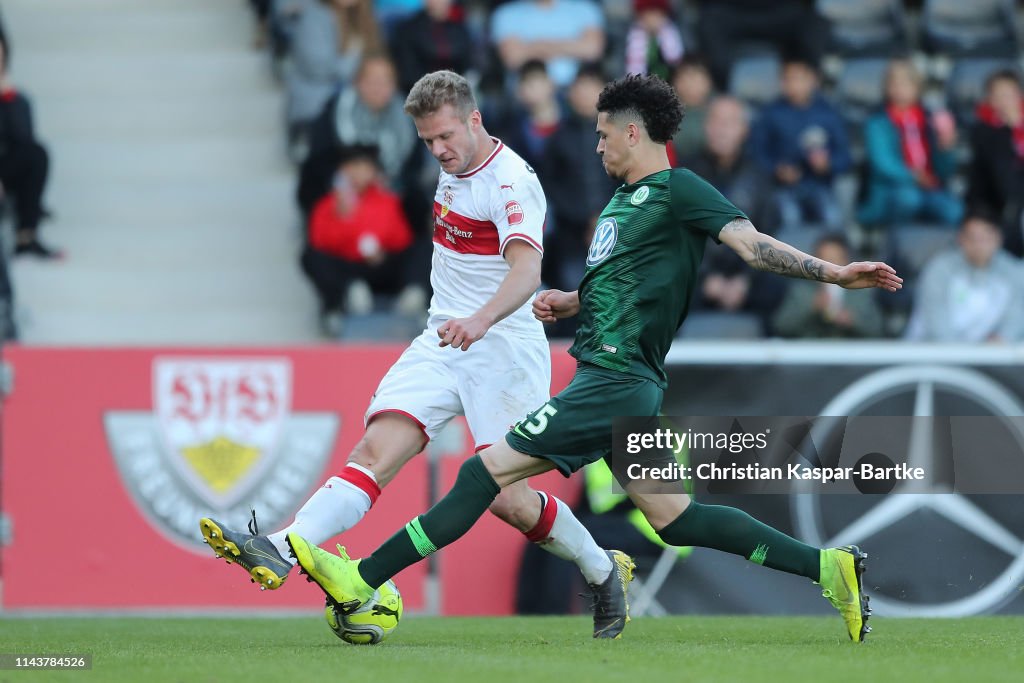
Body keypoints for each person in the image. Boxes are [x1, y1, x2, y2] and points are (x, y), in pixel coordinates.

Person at [286, 74, 902, 643]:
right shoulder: (623, 205)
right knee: (676, 520)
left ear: (633, 132)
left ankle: (362, 578)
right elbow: (632, 284)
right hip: (625, 383)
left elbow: (752, 245)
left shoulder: (679, 189)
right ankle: (830, 567)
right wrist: (574, 300)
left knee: (483, 476)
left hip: (613, 382)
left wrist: (835, 273)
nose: (598, 147)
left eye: (604, 135)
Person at [200, 71, 627, 639]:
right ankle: (279, 547)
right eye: (428, 142)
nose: (439, 150)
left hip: (503, 347)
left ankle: (602, 570)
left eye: (446, 137)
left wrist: (479, 319)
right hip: (443, 339)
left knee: (510, 501)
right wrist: (460, 321)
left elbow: (526, 272)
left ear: (475, 119)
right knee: (374, 451)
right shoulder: (449, 171)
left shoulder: (511, 182)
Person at [300, 145, 414, 333]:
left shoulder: (388, 201)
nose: (356, 173)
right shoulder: (328, 205)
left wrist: (381, 252)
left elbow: (402, 239)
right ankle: (340, 301)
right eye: (351, 167)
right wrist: (343, 219)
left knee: (426, 250)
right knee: (311, 257)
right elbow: (319, 242)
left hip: (383, 267)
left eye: (363, 167)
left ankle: (413, 295)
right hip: (348, 270)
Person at [857, 59, 962, 229]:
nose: (899, 90)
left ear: (918, 88)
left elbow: (945, 171)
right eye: (894, 84)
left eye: (906, 84)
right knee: (909, 200)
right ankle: (896, 246)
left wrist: (946, 149)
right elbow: (883, 165)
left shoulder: (931, 119)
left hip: (930, 187)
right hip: (892, 189)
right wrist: (915, 177)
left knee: (953, 210)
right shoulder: (878, 122)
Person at [750, 58, 850, 230]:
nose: (793, 85)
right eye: (788, 79)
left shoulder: (828, 113)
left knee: (833, 218)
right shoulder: (771, 114)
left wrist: (827, 165)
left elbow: (845, 157)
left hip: (820, 185)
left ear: (813, 80)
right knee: (789, 218)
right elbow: (757, 153)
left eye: (799, 78)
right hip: (783, 188)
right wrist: (777, 170)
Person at [905, 215, 1024, 343]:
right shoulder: (939, 269)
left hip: (991, 357)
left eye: (985, 239)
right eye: (973, 238)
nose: (979, 245)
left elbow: (1016, 317)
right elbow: (937, 324)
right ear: (960, 238)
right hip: (930, 353)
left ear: (998, 239)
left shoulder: (1013, 270)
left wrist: (1002, 339)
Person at [0, 34, 59, 258]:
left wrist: (8, 97)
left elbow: (24, 139)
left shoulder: (16, 99)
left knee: (36, 154)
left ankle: (26, 236)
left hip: (5, 170)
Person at [773, 234, 885, 339]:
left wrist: (852, 321)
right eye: (823, 260)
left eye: (834, 260)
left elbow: (878, 330)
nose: (829, 266)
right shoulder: (802, 291)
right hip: (811, 354)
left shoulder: (861, 292)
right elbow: (781, 326)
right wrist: (812, 307)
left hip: (850, 355)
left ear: (846, 261)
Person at [965, 69, 1024, 257]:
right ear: (988, 99)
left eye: (1008, 94)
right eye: (997, 95)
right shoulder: (982, 130)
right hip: (992, 208)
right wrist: (1011, 128)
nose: (1003, 101)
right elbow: (1001, 177)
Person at [490, 0, 605, 89]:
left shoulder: (585, 9)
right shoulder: (506, 14)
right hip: (528, 94)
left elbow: (593, 50)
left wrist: (536, 46)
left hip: (576, 91)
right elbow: (513, 58)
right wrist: (572, 45)